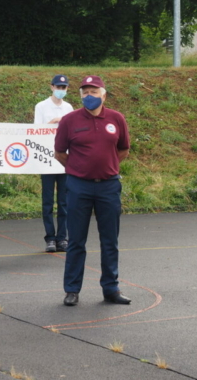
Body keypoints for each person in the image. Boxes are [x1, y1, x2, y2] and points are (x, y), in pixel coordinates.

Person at [54, 75, 131, 307]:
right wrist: (79, 170)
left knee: (110, 240)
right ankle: (72, 289)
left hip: (108, 186)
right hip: (79, 186)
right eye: (85, 93)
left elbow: (124, 150)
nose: (89, 96)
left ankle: (111, 289)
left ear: (104, 94)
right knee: (76, 240)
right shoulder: (69, 120)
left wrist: (107, 167)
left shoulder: (117, 119)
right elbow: (60, 154)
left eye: (94, 92)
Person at [33, 74, 74, 253]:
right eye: (58, 87)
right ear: (51, 87)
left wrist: (64, 122)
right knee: (48, 201)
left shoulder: (69, 107)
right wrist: (52, 123)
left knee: (64, 201)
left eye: (63, 88)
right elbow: (35, 130)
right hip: (47, 158)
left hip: (65, 158)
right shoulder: (41, 106)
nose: (60, 90)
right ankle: (50, 238)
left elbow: (74, 131)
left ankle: (62, 237)